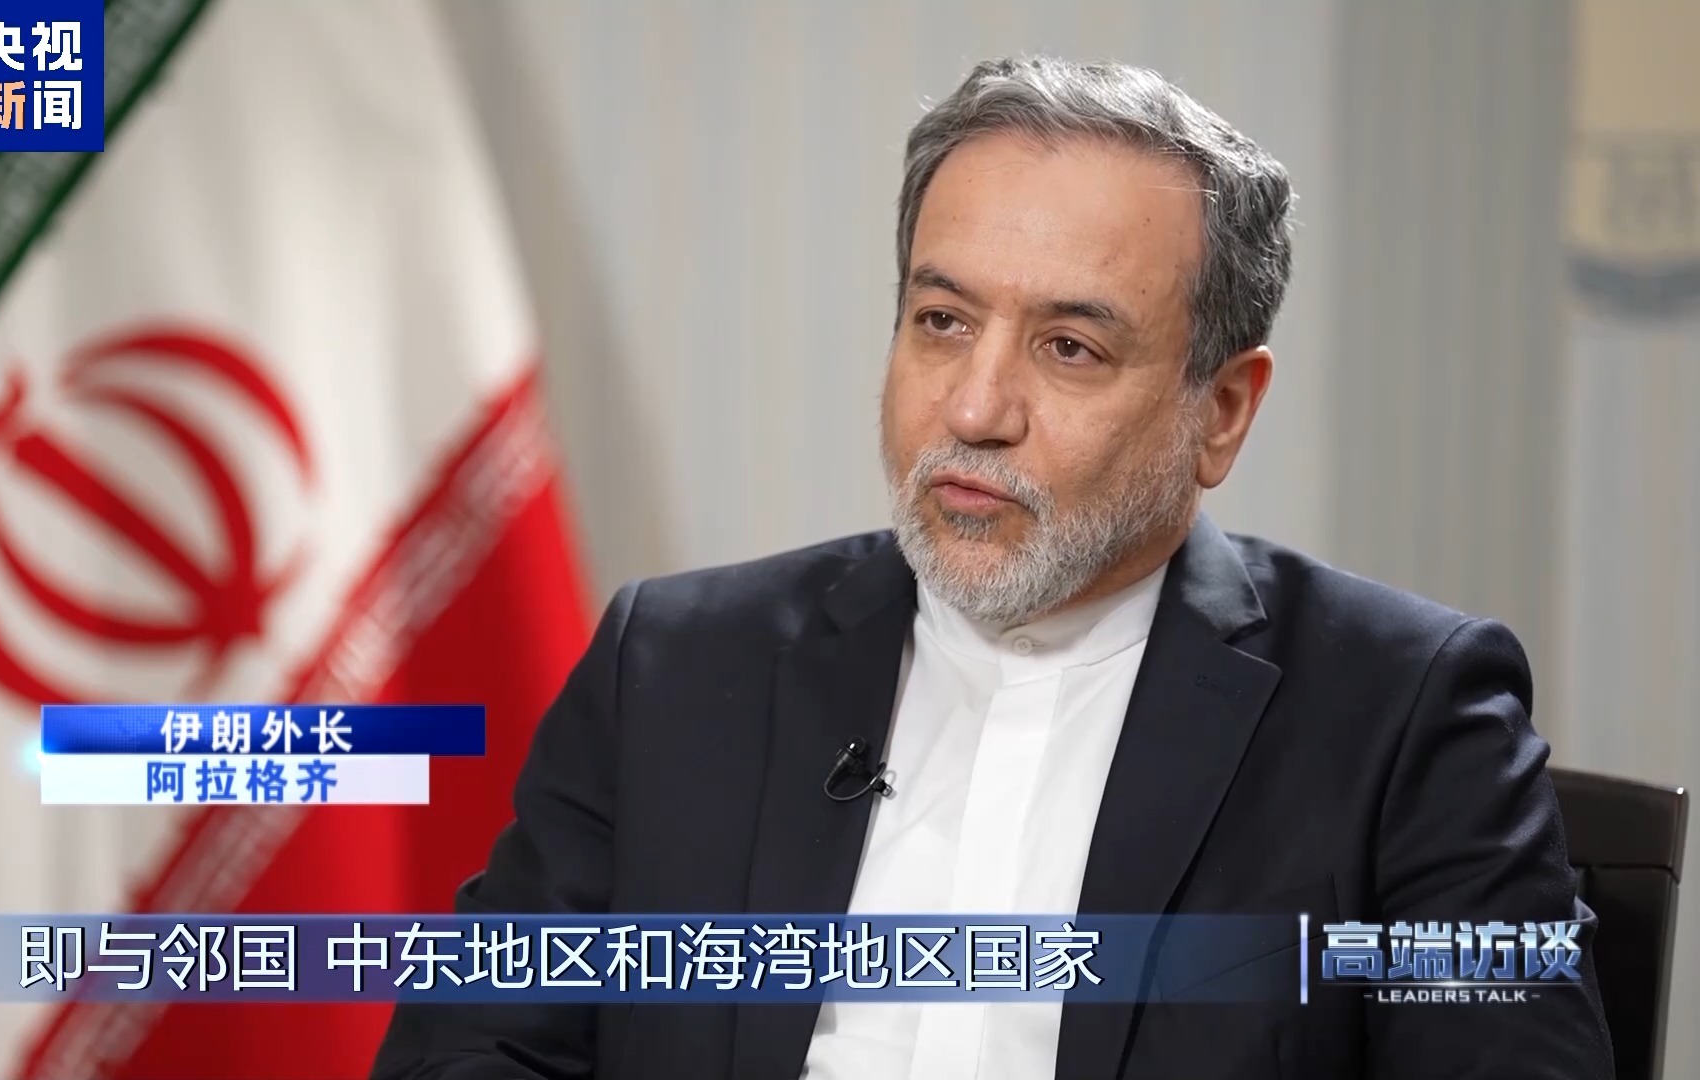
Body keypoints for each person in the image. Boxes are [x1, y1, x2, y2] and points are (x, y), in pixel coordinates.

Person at [372, 56, 1613, 1080]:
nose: (973, 409)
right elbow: (469, 1050)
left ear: (1223, 411)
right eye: (943, 322)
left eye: (1070, 348)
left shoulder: (1404, 717)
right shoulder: (679, 667)